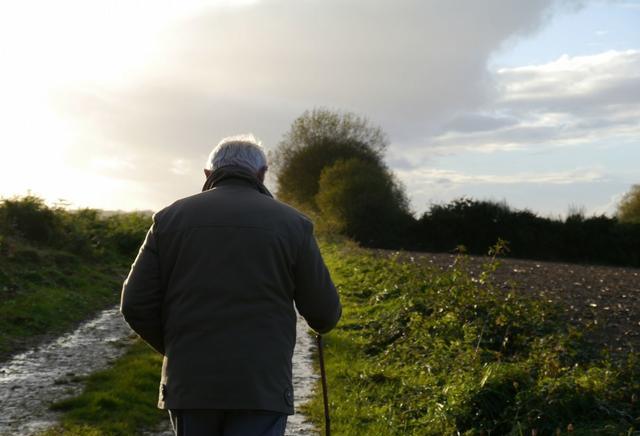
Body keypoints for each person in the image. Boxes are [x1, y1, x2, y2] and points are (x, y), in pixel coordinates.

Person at [120, 134, 342, 436]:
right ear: (262, 174)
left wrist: (177, 346)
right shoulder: (294, 225)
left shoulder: (168, 219)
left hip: (191, 383)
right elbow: (324, 315)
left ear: (208, 175)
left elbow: (134, 303)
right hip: (261, 385)